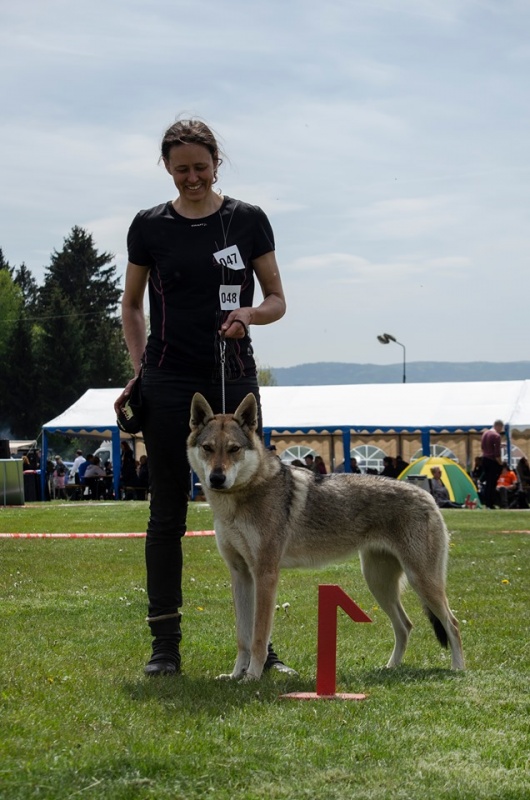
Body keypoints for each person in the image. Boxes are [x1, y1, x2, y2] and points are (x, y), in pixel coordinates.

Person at [114, 118, 294, 678]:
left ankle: (263, 649)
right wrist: (141, 370)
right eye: (180, 168)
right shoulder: (149, 226)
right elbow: (132, 305)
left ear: (217, 162)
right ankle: (164, 646)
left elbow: (277, 299)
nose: (192, 177)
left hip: (233, 376)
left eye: (200, 166)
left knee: (261, 513)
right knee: (165, 512)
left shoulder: (247, 219)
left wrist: (249, 314)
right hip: (168, 381)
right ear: (167, 168)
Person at [481, 420, 503, 509]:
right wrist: (501, 463)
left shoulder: (485, 434)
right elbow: (497, 453)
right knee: (492, 483)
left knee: (487, 483)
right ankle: (491, 503)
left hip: (485, 459)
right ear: (498, 426)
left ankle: (487, 503)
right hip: (492, 461)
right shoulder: (497, 436)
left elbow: (483, 447)